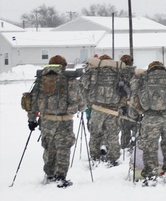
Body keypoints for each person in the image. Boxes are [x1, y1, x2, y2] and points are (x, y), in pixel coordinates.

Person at [23, 55, 84, 187]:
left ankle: (49, 174)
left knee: (49, 147)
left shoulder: (40, 81)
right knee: (63, 148)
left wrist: (31, 120)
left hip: (46, 121)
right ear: (64, 66)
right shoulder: (69, 80)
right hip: (64, 121)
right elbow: (79, 102)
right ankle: (61, 177)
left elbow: (32, 102)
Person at [131, 60, 166, 183]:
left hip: (150, 117)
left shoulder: (144, 76)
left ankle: (150, 174)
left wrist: (135, 113)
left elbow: (133, 90)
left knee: (150, 146)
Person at [82, 54, 130, 167]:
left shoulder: (93, 72)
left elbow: (83, 88)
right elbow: (125, 92)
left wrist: (88, 105)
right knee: (112, 135)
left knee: (95, 134)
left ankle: (94, 157)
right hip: (113, 109)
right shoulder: (118, 73)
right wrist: (123, 105)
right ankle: (113, 159)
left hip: (96, 109)